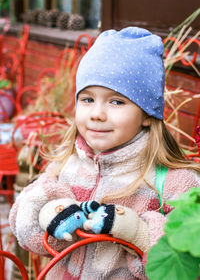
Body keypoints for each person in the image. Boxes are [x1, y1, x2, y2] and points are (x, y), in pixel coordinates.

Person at [9, 27, 200, 280]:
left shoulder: (174, 182)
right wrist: (49, 212)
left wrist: (137, 232)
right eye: (87, 99)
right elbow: (23, 223)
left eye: (116, 101)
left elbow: (187, 263)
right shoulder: (67, 163)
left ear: (146, 115)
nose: (97, 113)